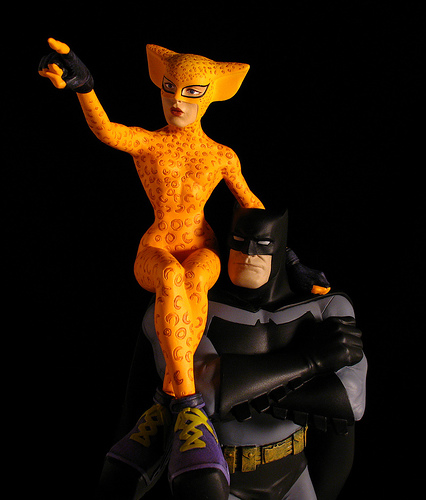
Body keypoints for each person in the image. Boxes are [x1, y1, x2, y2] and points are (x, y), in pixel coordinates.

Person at [38, 39, 264, 489]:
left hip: (202, 247)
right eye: (169, 88)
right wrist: (86, 88)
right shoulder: (150, 143)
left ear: (212, 96)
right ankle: (190, 406)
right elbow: (108, 131)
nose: (177, 100)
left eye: (191, 92)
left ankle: (167, 402)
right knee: (170, 275)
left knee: (193, 276)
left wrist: (288, 258)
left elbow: (254, 208)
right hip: (157, 245)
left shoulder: (222, 156)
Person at [100, 206, 367, 500]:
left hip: (293, 473)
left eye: (262, 244)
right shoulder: (186, 306)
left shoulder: (325, 307)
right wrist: (311, 362)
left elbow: (350, 401)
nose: (249, 254)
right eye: (239, 242)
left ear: (281, 247)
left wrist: (239, 388)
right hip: (221, 478)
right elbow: (203, 392)